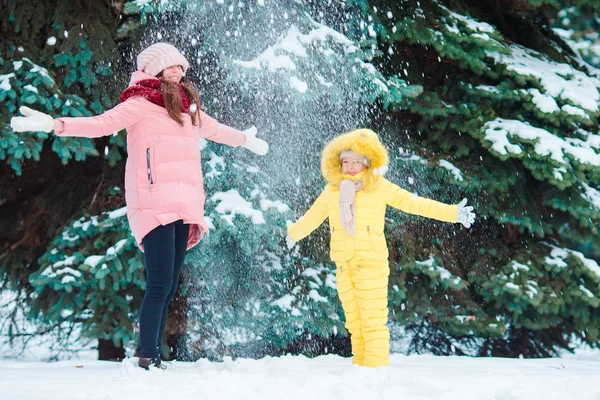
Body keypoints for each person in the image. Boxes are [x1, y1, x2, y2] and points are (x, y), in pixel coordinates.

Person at [10, 43, 269, 370]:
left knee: (169, 284)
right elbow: (100, 124)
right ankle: (148, 355)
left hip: (184, 203)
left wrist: (245, 139)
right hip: (154, 201)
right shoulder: (139, 103)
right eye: (171, 67)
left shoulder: (187, 107)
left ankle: (154, 354)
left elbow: (215, 130)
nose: (179, 71)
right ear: (155, 70)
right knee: (159, 284)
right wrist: (55, 125)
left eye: (180, 67)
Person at [286, 128, 475, 368]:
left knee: (373, 322)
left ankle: (375, 374)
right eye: (346, 161)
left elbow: (414, 203)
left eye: (356, 161)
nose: (351, 167)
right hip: (345, 266)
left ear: (367, 162)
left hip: (371, 264)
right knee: (355, 325)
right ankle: (360, 370)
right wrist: (293, 233)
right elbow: (312, 218)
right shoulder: (332, 191)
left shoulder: (378, 187)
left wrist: (452, 213)